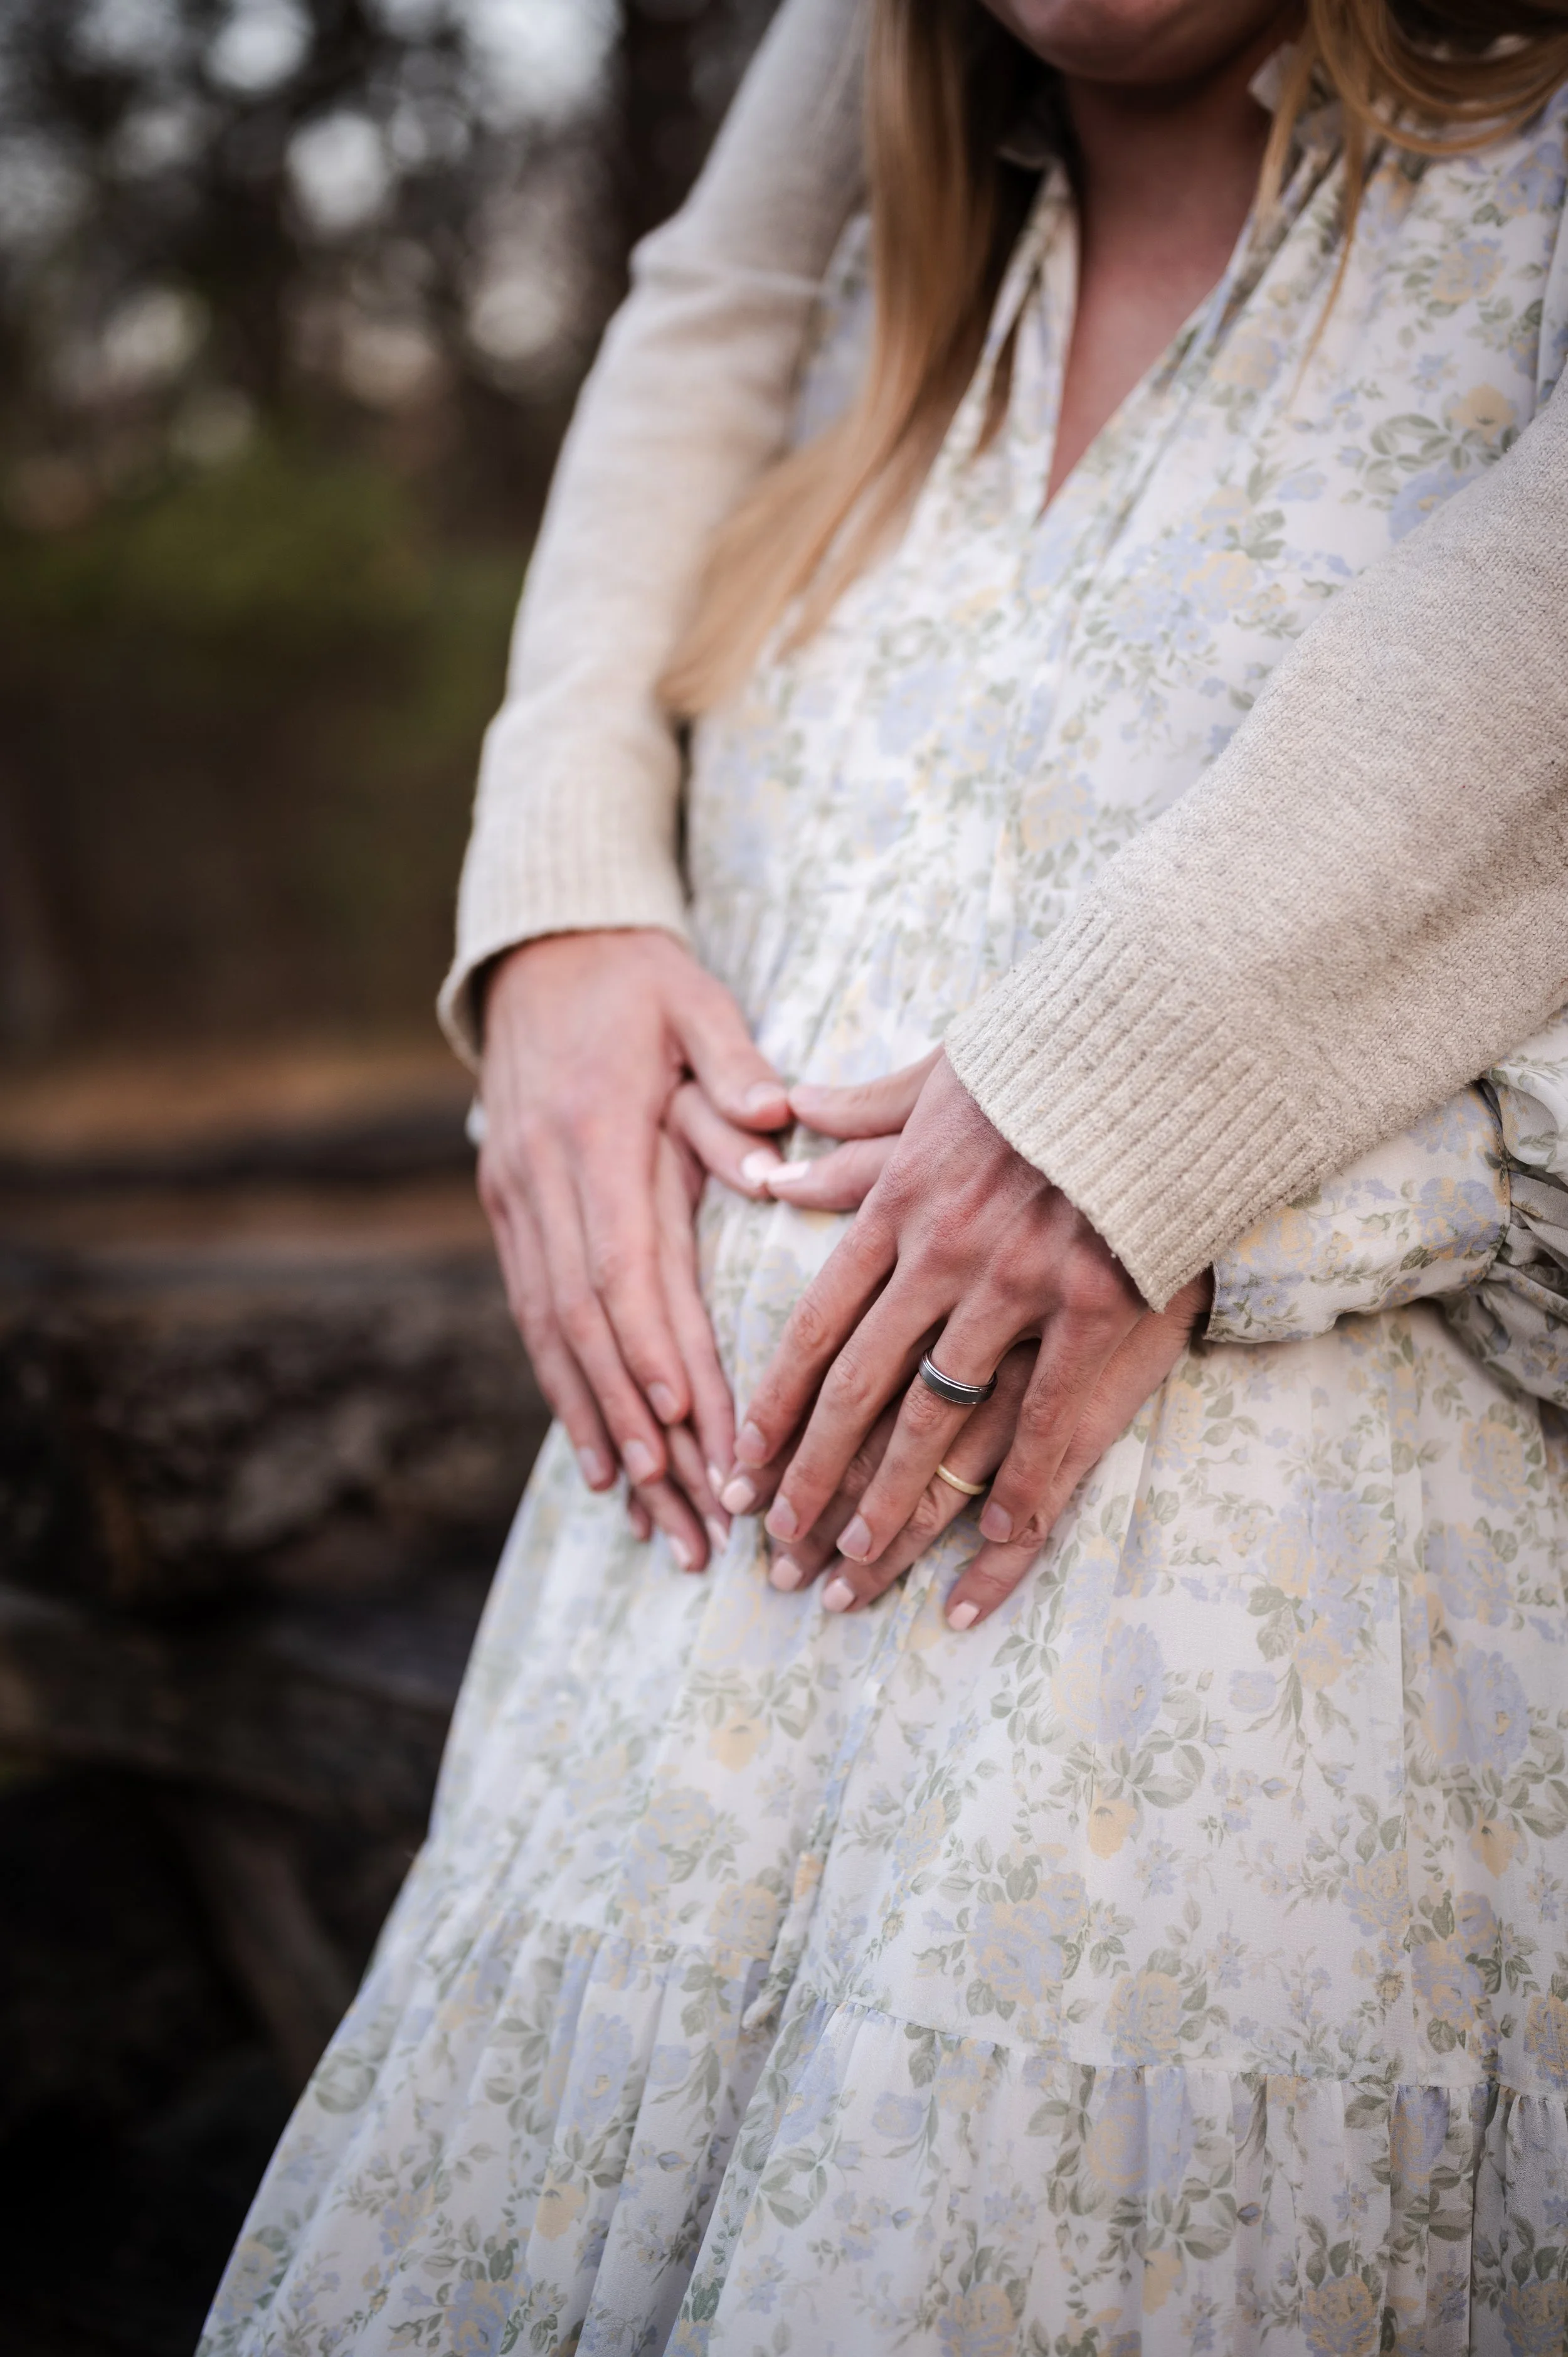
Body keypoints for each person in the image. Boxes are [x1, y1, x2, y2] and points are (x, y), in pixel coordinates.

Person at [204, 2, 1568, 2351]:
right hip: (627, 1823)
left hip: (1199, 1914)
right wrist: (558, 910)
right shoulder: (856, 309)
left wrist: (1194, 1144)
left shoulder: (1506, 247)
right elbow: (693, 316)